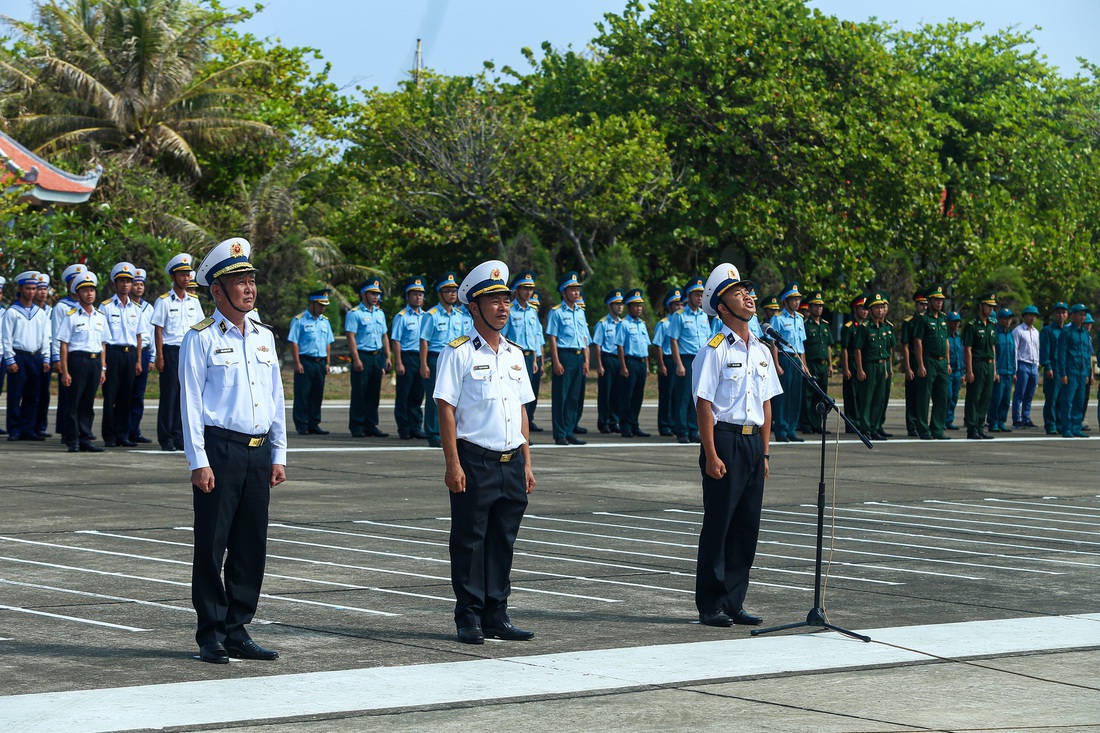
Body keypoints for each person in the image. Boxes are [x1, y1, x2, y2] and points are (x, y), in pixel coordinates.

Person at [181, 236, 286, 664]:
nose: (248, 288)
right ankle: (210, 633)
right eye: (238, 282)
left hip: (259, 452)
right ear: (217, 291)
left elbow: (276, 398)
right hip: (220, 451)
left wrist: (279, 453)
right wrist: (198, 461)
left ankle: (238, 627)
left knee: (250, 544)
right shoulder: (200, 337)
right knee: (212, 543)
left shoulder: (264, 336)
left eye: (250, 280)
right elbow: (189, 403)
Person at [434, 259, 536, 645]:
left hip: (511, 461)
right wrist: (452, 463)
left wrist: (527, 462)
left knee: (502, 542)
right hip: (474, 459)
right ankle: (469, 616)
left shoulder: (514, 353)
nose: (503, 307)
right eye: (494, 300)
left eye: (506, 300)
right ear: (474, 307)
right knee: (469, 541)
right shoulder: (458, 352)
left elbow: (522, 410)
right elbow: (446, 408)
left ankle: (497, 613)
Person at [693, 263, 781, 628]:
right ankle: (710, 604)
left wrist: (764, 452)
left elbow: (766, 404)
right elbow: (704, 404)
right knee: (719, 525)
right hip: (725, 441)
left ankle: (735, 600)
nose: (748, 297)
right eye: (737, 294)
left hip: (751, 443)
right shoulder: (714, 349)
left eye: (747, 291)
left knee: (747, 526)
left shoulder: (761, 349)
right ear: (723, 307)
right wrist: (711, 454)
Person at [152, 253, 205, 452]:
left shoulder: (194, 301)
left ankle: (179, 435)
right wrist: (160, 355)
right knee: (169, 396)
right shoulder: (164, 301)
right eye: (181, 275)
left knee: (185, 396)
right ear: (173, 277)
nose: (186, 278)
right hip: (171, 351)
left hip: (189, 351)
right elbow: (158, 329)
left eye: (187, 274)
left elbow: (200, 327)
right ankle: (166, 438)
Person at [57, 270, 107, 452]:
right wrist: (65, 371)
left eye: (92, 290)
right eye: (85, 290)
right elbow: (64, 345)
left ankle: (86, 438)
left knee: (88, 403)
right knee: (73, 403)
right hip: (77, 361)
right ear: (78, 294)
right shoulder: (71, 316)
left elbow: (103, 344)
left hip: (94, 362)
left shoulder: (100, 316)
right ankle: (73, 440)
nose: (89, 293)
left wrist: (102, 368)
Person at [420, 272, 468, 448]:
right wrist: (424, 364)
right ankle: (433, 433)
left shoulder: (460, 316)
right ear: (440, 294)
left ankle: (452, 432)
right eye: (448, 291)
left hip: (456, 359)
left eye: (454, 290)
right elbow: (424, 340)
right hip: (436, 358)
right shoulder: (431, 314)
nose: (452, 294)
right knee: (436, 397)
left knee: (457, 398)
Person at [98, 262, 144, 448]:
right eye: (121, 281)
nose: (125, 285)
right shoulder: (106, 306)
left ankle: (122, 434)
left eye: (128, 281)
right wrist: (103, 364)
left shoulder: (136, 308)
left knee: (127, 396)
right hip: (113, 354)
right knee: (110, 397)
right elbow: (101, 338)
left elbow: (139, 336)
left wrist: (139, 360)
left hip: (130, 354)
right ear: (115, 284)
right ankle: (109, 436)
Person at [3, 271, 51, 441]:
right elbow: (6, 338)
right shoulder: (12, 312)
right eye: (28, 288)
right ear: (20, 289)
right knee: (15, 394)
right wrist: (9, 358)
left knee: (33, 395)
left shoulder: (40, 313)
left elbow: (45, 337)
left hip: (35, 356)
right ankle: (15, 429)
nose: (31, 292)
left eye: (34, 288)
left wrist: (46, 358)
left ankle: (28, 428)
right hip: (19, 356)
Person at [546, 271, 590, 446]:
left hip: (579, 356)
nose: (576, 292)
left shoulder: (580, 312)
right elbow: (552, 338)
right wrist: (556, 361)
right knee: (561, 397)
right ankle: (560, 433)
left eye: (577, 289)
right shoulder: (556, 313)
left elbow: (585, 338)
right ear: (564, 293)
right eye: (572, 289)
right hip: (565, 355)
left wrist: (587, 360)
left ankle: (570, 431)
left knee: (574, 397)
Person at [346, 278, 391, 438]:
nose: (375, 297)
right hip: (362, 355)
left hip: (376, 356)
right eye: (372, 293)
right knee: (359, 392)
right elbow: (351, 337)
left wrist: (387, 356)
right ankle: (357, 425)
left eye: (377, 294)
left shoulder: (380, 313)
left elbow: (384, 336)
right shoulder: (355, 313)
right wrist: (356, 358)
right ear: (363, 294)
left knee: (374, 392)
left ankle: (371, 425)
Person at [287, 290, 335, 436]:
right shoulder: (299, 320)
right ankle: (301, 424)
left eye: (324, 306)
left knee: (317, 394)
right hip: (305, 360)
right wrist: (297, 362)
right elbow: (294, 342)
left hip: (320, 362)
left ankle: (314, 423)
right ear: (312, 304)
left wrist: (327, 362)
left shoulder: (325, 321)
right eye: (320, 305)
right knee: (302, 394)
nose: (323, 308)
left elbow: (328, 343)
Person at [503, 270, 545, 433]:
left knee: (529, 396)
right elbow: (503, 337)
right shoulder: (510, 310)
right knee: (516, 397)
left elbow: (534, 338)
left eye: (531, 289)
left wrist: (535, 360)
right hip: (515, 357)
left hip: (529, 358)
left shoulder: (532, 311)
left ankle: (525, 431)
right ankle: (516, 431)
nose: (529, 292)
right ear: (517, 290)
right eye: (525, 288)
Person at [51, 264, 88, 445]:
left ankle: (81, 431)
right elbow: (56, 334)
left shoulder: (87, 306)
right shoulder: (62, 307)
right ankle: (67, 432)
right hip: (69, 356)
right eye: (75, 281)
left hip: (85, 357)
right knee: (68, 397)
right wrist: (56, 358)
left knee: (83, 399)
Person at [669, 276, 709, 444]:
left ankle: (694, 429)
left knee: (698, 397)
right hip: (686, 359)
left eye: (702, 295)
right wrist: (678, 363)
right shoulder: (679, 315)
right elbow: (674, 340)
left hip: (701, 359)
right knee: (684, 396)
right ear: (689, 296)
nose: (700, 298)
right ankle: (682, 430)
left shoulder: (704, 316)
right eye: (696, 295)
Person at [853, 291, 895, 440]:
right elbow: (857, 349)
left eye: (882, 307)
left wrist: (889, 368)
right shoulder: (865, 327)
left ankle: (875, 427)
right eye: (876, 308)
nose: (880, 310)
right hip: (869, 366)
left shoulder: (886, 327)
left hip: (882, 365)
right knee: (867, 398)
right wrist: (860, 369)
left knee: (879, 398)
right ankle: (865, 428)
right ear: (870, 310)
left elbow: (890, 349)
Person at [911, 284, 951, 440]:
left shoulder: (943, 318)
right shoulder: (923, 318)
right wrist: (920, 364)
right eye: (936, 300)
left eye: (941, 300)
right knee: (924, 396)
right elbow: (918, 341)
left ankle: (937, 429)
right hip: (929, 360)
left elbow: (946, 341)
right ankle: (923, 429)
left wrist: (948, 362)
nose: (939, 303)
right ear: (929, 301)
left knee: (942, 396)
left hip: (942, 362)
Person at [390, 276, 428, 440]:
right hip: (407, 357)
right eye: (414, 294)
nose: (418, 297)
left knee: (417, 395)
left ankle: (415, 426)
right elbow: (396, 340)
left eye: (420, 294)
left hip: (421, 357)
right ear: (408, 296)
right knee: (404, 395)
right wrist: (398, 362)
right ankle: (403, 428)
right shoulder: (402, 316)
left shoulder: (426, 316)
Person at [769, 283, 807, 443]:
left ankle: (792, 429)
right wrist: (776, 364)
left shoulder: (800, 319)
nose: (797, 302)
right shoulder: (777, 319)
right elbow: (774, 343)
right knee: (783, 397)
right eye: (793, 299)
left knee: (795, 396)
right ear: (786, 301)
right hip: (785, 358)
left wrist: (805, 365)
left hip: (797, 358)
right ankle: (781, 430)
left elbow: (802, 345)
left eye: (798, 299)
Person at [615, 288, 651, 438]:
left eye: (640, 306)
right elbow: (620, 346)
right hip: (630, 362)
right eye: (635, 306)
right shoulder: (623, 324)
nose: (638, 309)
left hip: (642, 362)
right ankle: (625, 426)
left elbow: (646, 346)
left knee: (638, 396)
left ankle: (635, 424)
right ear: (629, 307)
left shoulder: (642, 324)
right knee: (627, 396)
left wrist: (647, 366)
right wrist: (623, 366)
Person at [963, 292, 998, 440]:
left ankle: (980, 426)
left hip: (989, 364)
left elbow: (993, 348)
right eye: (988, 306)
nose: (990, 309)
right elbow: (968, 349)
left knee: (985, 397)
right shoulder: (972, 325)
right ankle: (972, 428)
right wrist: (969, 370)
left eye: (992, 307)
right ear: (980, 306)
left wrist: (995, 370)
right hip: (977, 364)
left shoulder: (991, 324)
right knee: (974, 397)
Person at [798, 290, 834, 435]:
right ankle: (806, 423)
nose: (819, 308)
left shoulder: (825, 325)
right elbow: (803, 347)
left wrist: (831, 365)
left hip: (823, 365)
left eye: (820, 306)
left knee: (821, 395)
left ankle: (817, 423)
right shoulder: (806, 325)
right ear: (810, 307)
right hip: (811, 364)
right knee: (808, 395)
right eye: (815, 306)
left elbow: (829, 346)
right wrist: (804, 365)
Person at [127, 268, 156, 444]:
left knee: (138, 395)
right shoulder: (126, 306)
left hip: (144, 352)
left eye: (141, 284)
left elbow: (151, 333)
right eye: (135, 284)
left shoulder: (149, 308)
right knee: (124, 394)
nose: (138, 287)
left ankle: (134, 430)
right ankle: (121, 430)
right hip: (129, 353)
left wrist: (152, 356)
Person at [1054, 304, 1092, 438]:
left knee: (1079, 402)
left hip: (1082, 373)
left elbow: (1087, 354)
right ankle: (1066, 428)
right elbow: (1062, 354)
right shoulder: (1067, 332)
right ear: (1073, 315)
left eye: (1084, 314)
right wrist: (1063, 373)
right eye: (1080, 314)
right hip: (1070, 373)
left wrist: (1087, 372)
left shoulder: (1086, 333)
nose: (1082, 317)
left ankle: (1076, 427)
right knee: (1067, 402)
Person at [591, 289, 624, 435]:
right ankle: (603, 422)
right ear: (610, 306)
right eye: (616, 304)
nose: (620, 307)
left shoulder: (623, 324)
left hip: (619, 359)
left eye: (621, 304)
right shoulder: (603, 324)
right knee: (606, 392)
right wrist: (599, 365)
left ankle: (614, 421)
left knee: (617, 392)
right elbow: (597, 345)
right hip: (607, 358)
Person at [651, 289, 680, 437]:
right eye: (675, 304)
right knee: (666, 394)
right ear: (669, 307)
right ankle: (664, 424)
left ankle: (675, 423)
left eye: (680, 304)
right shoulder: (664, 324)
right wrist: (661, 364)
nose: (679, 307)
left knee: (677, 395)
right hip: (668, 360)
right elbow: (658, 345)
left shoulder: (681, 321)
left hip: (679, 360)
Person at [900, 289, 929, 437]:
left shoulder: (929, 320)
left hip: (927, 362)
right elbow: (905, 346)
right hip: (913, 361)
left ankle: (922, 423)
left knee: (923, 396)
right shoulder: (909, 323)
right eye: (921, 304)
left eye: (926, 304)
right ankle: (912, 425)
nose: (924, 307)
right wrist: (908, 367)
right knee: (912, 395)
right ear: (916, 305)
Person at [841, 294, 868, 432]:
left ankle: (861, 421)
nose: (865, 311)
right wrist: (846, 368)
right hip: (851, 363)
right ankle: (851, 423)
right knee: (851, 395)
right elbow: (844, 349)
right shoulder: (849, 327)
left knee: (862, 396)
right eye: (862, 309)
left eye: (866, 309)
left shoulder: (867, 326)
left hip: (864, 364)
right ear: (855, 309)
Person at [1040, 302, 1068, 435]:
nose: (1061, 315)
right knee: (1052, 398)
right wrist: (1047, 366)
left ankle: (1059, 423)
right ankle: (1050, 425)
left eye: (1063, 312)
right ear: (1054, 314)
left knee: (1063, 399)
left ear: (1067, 314)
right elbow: (1045, 351)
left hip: (1064, 370)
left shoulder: (1067, 331)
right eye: (1058, 312)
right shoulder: (1048, 330)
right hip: (1053, 368)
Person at [987, 308, 1017, 433]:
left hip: (1009, 372)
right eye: (1005, 318)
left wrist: (1014, 371)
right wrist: (996, 371)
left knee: (1005, 399)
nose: (1008, 320)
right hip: (1000, 372)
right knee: (996, 398)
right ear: (999, 319)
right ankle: (993, 422)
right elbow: (994, 355)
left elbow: (1013, 354)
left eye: (1010, 318)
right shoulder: (995, 333)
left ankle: (1001, 421)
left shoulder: (1010, 334)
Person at [1011, 305, 1041, 429]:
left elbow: (1037, 349)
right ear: (1024, 316)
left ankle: (1026, 418)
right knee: (1019, 393)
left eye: (1035, 316)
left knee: (1029, 394)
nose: (1033, 318)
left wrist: (1037, 365)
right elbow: (1015, 351)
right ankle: (1016, 419)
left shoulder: (1036, 332)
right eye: (1030, 315)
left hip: (1033, 364)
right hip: (1022, 363)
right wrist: (1015, 369)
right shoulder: (1018, 331)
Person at [32, 273, 54, 438]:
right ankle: (27, 425)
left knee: (44, 392)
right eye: (39, 289)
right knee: (30, 392)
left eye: (44, 289)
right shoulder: (27, 310)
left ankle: (40, 426)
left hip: (47, 352)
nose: (42, 293)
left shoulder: (51, 311)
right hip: (32, 352)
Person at [945, 311, 963, 430]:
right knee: (947, 396)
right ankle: (942, 420)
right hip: (948, 371)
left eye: (958, 321)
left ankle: (949, 420)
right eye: (954, 321)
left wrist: (962, 372)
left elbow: (960, 355)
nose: (956, 324)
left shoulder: (958, 337)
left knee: (955, 397)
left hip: (957, 370)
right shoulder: (945, 335)